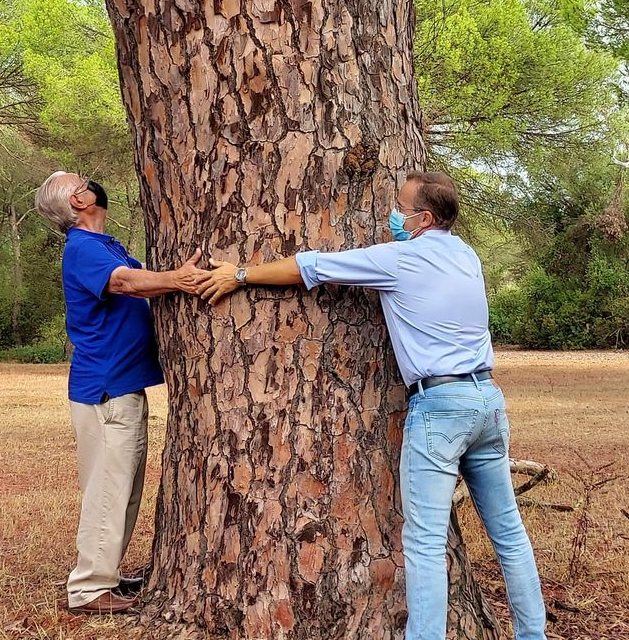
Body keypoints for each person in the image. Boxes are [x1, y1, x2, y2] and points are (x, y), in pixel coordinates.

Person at [193, 171, 547, 640]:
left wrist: (240, 274)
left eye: (401, 208)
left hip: (440, 406)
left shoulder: (400, 259)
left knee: (425, 543)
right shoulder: (467, 255)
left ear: (423, 219)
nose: (393, 215)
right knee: (509, 534)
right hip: (487, 400)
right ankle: (533, 635)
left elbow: (311, 266)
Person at [34, 170, 206, 615]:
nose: (92, 183)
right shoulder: (83, 248)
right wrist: (179, 279)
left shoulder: (104, 245)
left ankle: (105, 574)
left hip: (122, 385)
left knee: (124, 488)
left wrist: (170, 276)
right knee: (109, 488)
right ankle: (89, 588)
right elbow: (126, 283)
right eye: (83, 182)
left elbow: (139, 275)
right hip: (106, 389)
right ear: (78, 201)